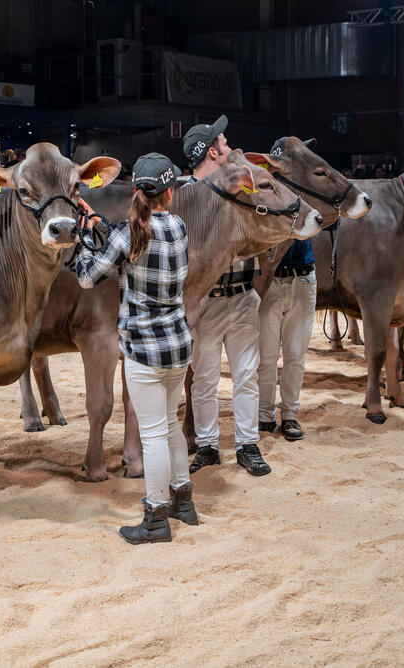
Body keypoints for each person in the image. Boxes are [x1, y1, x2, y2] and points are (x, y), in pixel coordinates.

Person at [72, 153, 195, 544]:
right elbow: (135, 245)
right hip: (178, 345)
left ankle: (156, 517)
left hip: (144, 350)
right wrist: (102, 227)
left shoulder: (128, 235)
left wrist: (79, 245)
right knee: (171, 425)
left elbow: (90, 278)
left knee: (154, 433)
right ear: (169, 193)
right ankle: (183, 501)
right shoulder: (178, 226)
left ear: (135, 190)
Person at [182, 115, 271, 477]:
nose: (229, 142)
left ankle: (247, 445)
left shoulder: (239, 186)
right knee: (203, 378)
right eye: (223, 139)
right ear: (212, 152)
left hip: (242, 294)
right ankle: (207, 446)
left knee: (246, 373)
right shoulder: (185, 196)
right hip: (206, 302)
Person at [257, 137, 318, 441]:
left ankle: (290, 414)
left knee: (295, 354)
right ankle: (265, 413)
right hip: (272, 279)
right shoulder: (264, 192)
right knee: (266, 355)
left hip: (303, 277)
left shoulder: (307, 192)